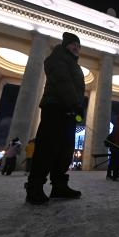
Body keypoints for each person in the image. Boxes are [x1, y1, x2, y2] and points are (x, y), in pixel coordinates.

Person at [25, 32, 85, 205]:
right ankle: (34, 187)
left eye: (78, 46)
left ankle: (59, 185)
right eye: (73, 44)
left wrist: (76, 107)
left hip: (69, 110)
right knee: (47, 148)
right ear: (66, 45)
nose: (76, 48)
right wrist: (74, 103)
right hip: (56, 107)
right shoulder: (57, 58)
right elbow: (62, 81)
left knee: (65, 150)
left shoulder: (73, 63)